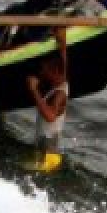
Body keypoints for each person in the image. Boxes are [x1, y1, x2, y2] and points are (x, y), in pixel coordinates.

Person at [25, 26, 69, 172]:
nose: (42, 73)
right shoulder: (61, 77)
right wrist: (60, 37)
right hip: (43, 149)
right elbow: (63, 55)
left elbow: (50, 116)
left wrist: (34, 90)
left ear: (54, 71)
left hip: (48, 157)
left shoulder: (59, 94)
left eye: (45, 70)